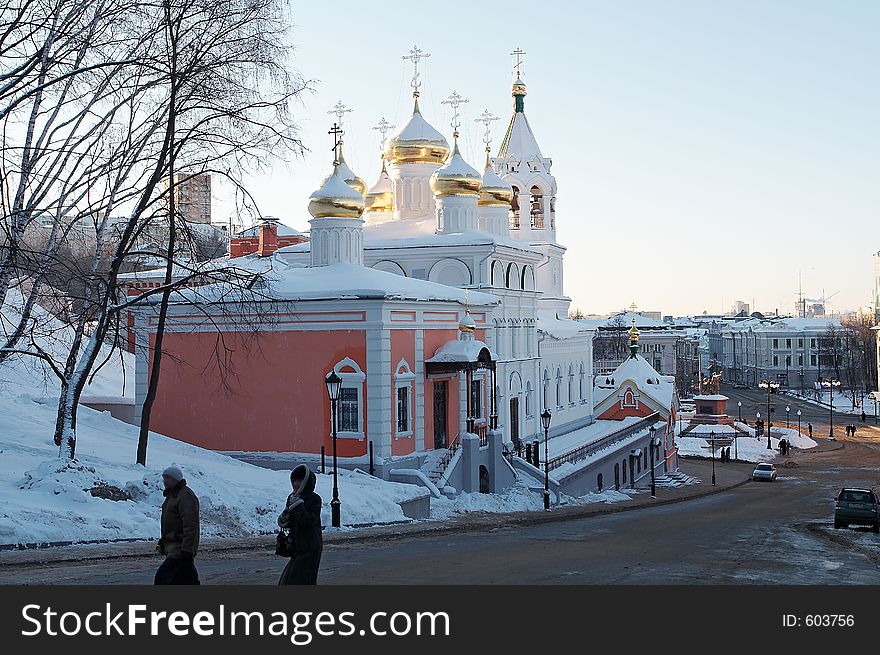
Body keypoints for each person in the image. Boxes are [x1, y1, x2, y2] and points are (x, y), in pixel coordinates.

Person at [278, 464, 323, 585]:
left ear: (306, 481)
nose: (296, 483)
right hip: (296, 545)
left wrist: (298, 506)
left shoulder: (315, 499)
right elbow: (290, 518)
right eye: (294, 480)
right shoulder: (292, 497)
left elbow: (309, 521)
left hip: (310, 545)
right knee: (290, 579)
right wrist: (284, 519)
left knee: (303, 578)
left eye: (300, 480)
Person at [155, 466, 200, 585]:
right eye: (164, 477)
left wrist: (187, 549)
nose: (164, 480)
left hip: (180, 548)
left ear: (176, 479)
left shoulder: (185, 496)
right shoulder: (172, 496)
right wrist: (163, 542)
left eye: (167, 477)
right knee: (185, 580)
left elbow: (190, 524)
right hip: (174, 547)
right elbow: (170, 522)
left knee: (162, 578)